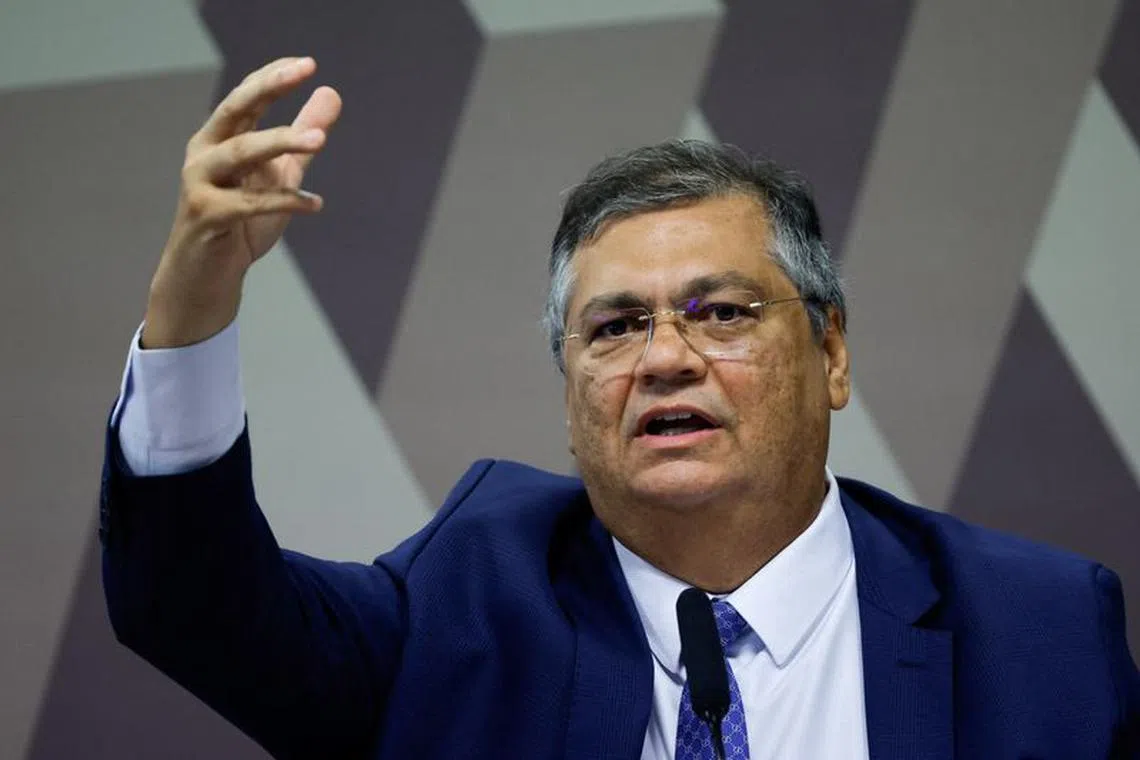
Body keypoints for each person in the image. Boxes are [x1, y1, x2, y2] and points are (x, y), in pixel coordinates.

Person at [99, 56, 1139, 759]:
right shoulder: (467, 608)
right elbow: (195, 606)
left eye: (720, 313)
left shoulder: (1033, 629)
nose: (665, 359)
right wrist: (195, 304)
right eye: (613, 328)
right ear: (569, 395)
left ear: (830, 351)